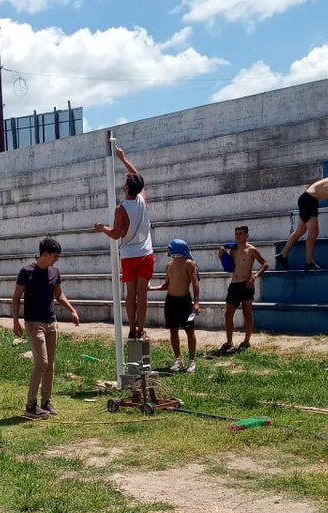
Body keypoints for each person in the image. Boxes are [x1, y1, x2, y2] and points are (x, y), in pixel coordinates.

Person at [11, 237, 80, 419]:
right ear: (45, 254)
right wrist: (15, 321)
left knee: (50, 365)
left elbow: (59, 294)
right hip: (34, 324)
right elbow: (17, 297)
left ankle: (46, 402)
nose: (57, 260)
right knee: (42, 363)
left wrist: (72, 310)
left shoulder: (55, 272)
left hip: (51, 322)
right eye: (55, 256)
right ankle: (30, 405)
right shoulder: (26, 272)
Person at [94, 146, 154, 340]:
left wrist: (101, 228)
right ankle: (142, 328)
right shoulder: (143, 200)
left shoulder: (121, 209)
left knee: (131, 295)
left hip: (129, 255)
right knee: (142, 294)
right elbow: (136, 175)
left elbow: (115, 234)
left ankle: (132, 328)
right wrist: (124, 158)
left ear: (127, 188)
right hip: (145, 253)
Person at [149, 239, 201, 373]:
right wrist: (151, 288)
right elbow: (166, 285)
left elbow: (195, 283)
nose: (168, 250)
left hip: (184, 301)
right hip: (171, 301)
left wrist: (196, 302)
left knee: (190, 331)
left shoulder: (189, 263)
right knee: (173, 330)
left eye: (170, 247)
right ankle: (178, 359)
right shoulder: (169, 265)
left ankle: (192, 361)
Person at [217, 226, 267, 353]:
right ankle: (229, 342)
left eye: (241, 233)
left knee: (247, 313)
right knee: (228, 314)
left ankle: (247, 341)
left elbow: (265, 264)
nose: (238, 236)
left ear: (246, 236)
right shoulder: (232, 250)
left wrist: (254, 276)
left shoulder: (251, 250)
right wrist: (221, 256)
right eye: (236, 234)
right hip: (234, 284)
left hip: (246, 284)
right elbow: (229, 267)